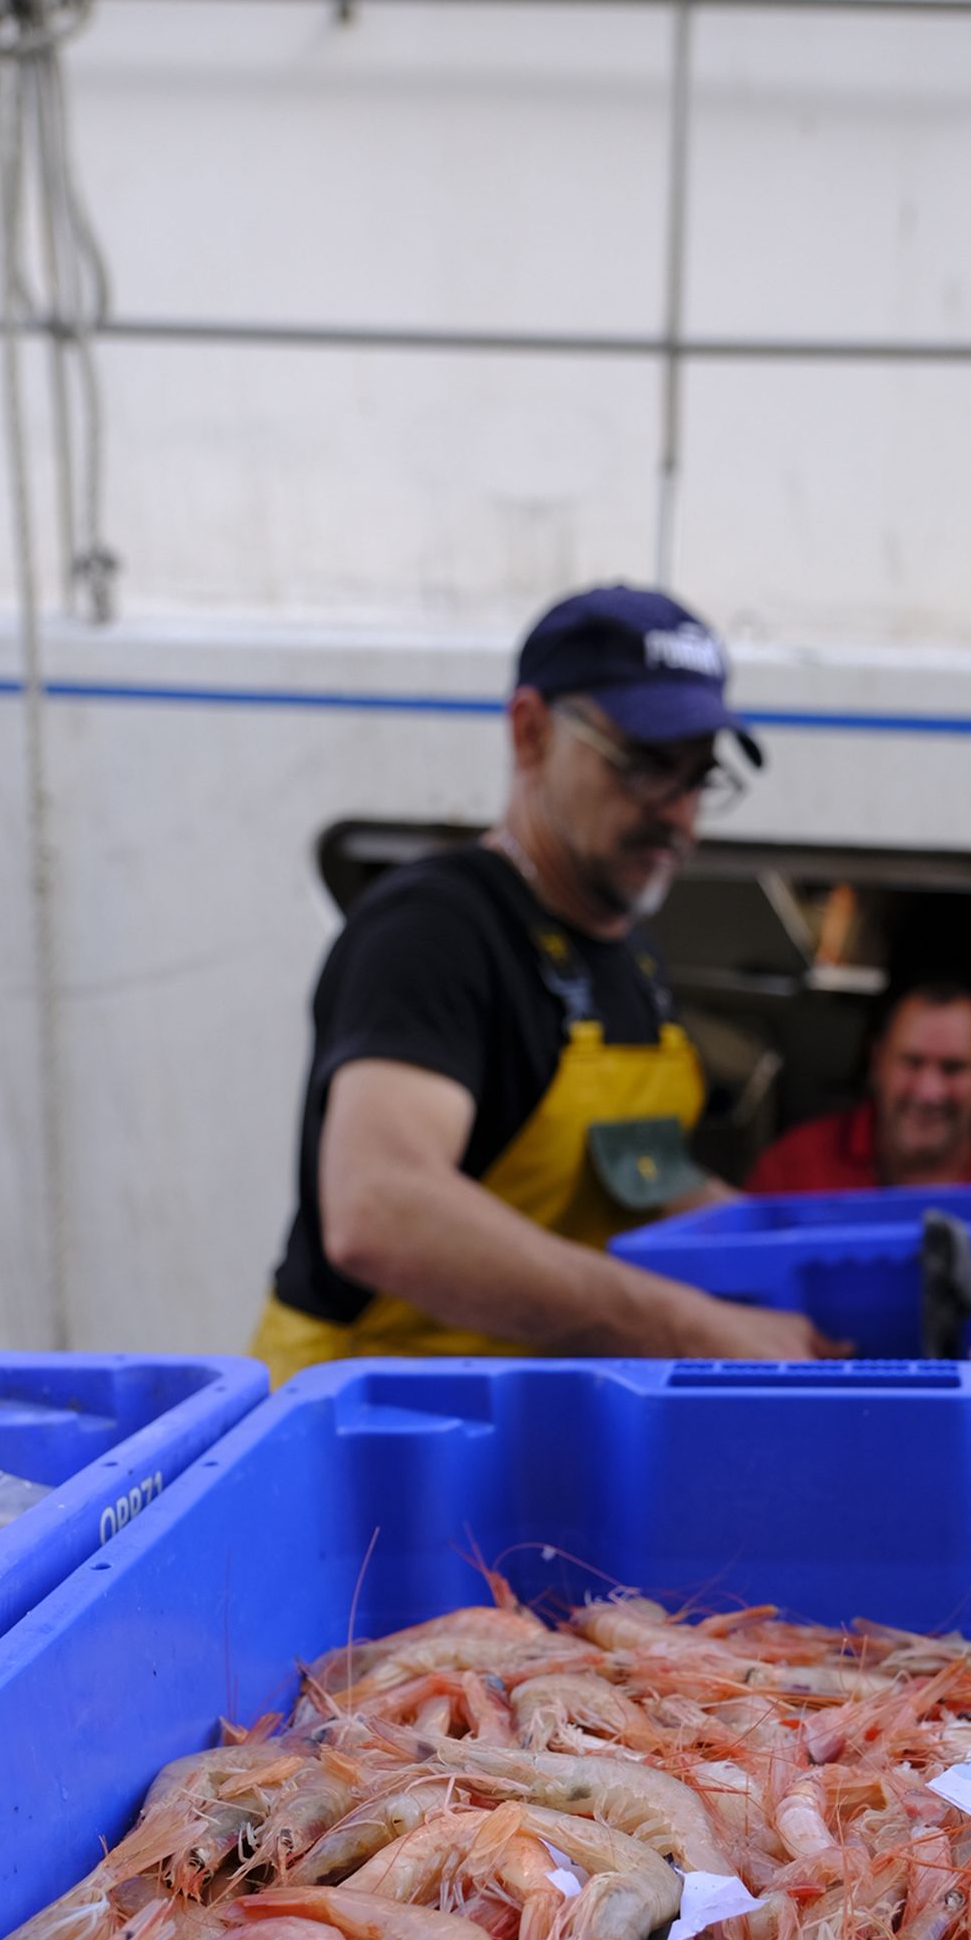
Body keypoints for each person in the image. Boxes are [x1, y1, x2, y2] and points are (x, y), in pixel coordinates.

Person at [253, 584, 836, 1381]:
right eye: (645, 767)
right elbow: (379, 1211)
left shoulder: (631, 958)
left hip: (505, 1419)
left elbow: (646, 1175)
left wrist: (818, 1258)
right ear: (529, 732)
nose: (680, 817)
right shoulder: (434, 931)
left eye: (699, 778)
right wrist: (690, 1329)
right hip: (360, 1430)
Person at [748, 979, 971, 1193]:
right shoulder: (793, 1169)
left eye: (954, 1068)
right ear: (877, 1061)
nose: (928, 1092)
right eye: (911, 1063)